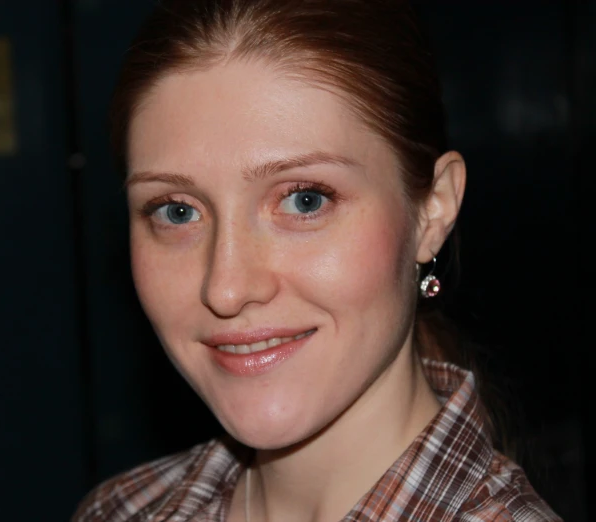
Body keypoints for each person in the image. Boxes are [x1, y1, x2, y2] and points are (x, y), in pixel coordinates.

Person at [74, 0, 561, 520]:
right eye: (176, 211)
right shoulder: (121, 509)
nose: (226, 288)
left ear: (433, 211)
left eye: (305, 199)